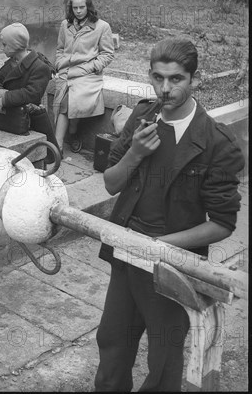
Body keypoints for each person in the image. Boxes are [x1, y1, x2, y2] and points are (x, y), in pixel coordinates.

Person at [95, 38, 245, 391]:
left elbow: (222, 223)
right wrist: (134, 153)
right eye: (158, 78)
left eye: (176, 79)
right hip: (127, 251)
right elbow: (110, 184)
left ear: (194, 79)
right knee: (112, 341)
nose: (165, 88)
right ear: (150, 75)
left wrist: (160, 245)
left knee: (163, 358)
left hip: (173, 263)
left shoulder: (216, 143)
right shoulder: (142, 116)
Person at [53, 0, 115, 155]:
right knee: (62, 102)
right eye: (75, 8)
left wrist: (89, 68)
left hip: (88, 75)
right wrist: (59, 63)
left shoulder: (102, 27)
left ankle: (58, 145)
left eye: (82, 7)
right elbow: (60, 48)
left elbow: (107, 55)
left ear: (88, 7)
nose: (78, 11)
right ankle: (71, 134)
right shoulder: (65, 25)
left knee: (68, 101)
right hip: (66, 72)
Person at [0, 22, 59, 157]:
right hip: (11, 119)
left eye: (5, 45)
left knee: (36, 158)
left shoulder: (39, 67)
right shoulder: (12, 63)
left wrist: (6, 98)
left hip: (31, 121)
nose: (2, 48)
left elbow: (32, 94)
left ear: (15, 45)